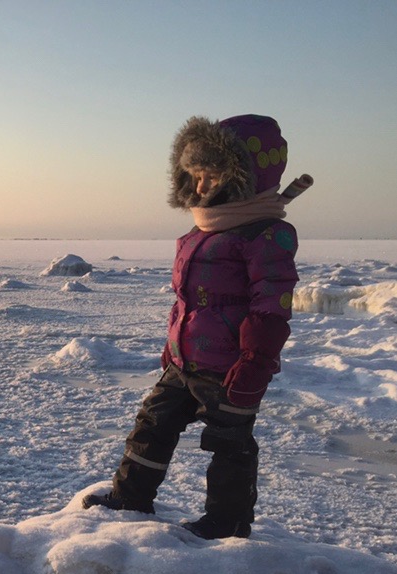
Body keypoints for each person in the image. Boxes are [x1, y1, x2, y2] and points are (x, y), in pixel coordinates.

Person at [83, 114, 300, 540]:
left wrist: (256, 360)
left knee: (229, 442)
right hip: (186, 360)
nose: (201, 186)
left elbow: (272, 305)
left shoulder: (266, 235)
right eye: (195, 175)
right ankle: (131, 497)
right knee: (153, 423)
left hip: (231, 366)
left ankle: (228, 520)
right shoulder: (204, 229)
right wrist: (173, 345)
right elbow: (187, 300)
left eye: (212, 175)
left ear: (243, 178)